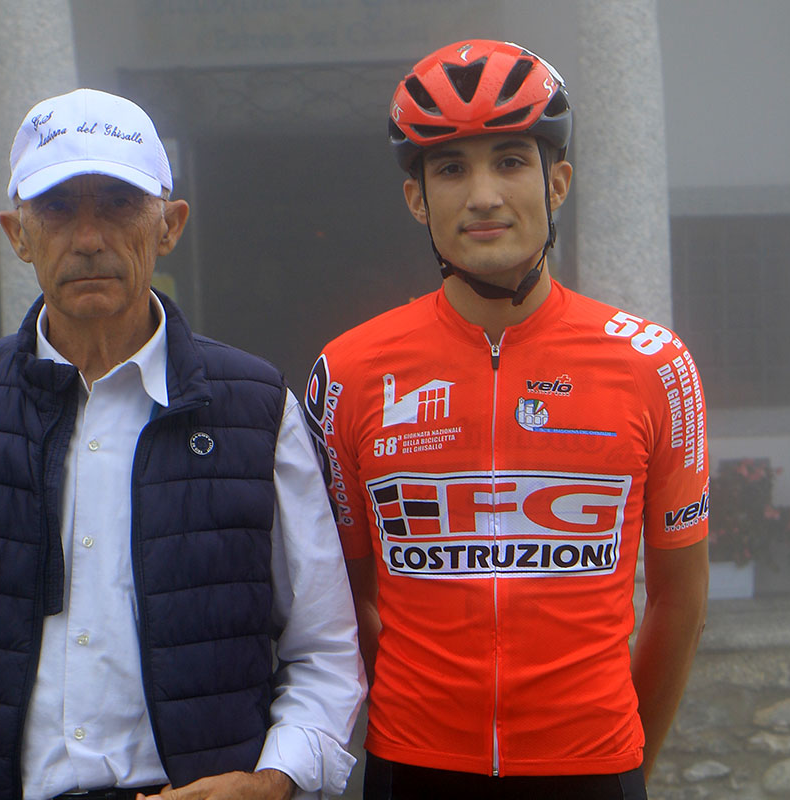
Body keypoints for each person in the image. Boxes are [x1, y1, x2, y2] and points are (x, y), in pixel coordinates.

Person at [0, 88, 365, 800]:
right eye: (56, 209)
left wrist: (274, 779)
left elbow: (324, 646)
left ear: (169, 225)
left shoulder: (255, 408)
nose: (88, 238)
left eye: (118, 204)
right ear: (17, 234)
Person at [301, 40, 710, 800]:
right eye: (451, 168)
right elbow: (346, 596)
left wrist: (626, 764)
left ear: (558, 183)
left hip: (594, 766)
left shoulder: (657, 365)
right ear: (417, 200)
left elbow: (681, 600)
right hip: (413, 765)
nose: (483, 194)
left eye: (511, 161)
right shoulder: (348, 372)